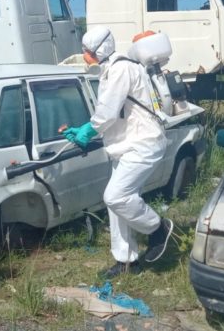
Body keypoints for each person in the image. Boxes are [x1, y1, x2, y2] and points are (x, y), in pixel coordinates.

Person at [62, 26, 174, 278]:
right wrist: (84, 129)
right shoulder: (112, 69)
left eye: (87, 51)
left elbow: (107, 112)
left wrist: (88, 131)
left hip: (143, 143)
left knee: (116, 196)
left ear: (99, 50)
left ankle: (158, 229)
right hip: (125, 145)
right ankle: (126, 261)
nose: (85, 55)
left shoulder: (121, 68)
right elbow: (112, 113)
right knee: (117, 206)